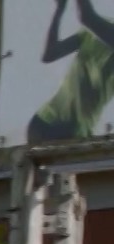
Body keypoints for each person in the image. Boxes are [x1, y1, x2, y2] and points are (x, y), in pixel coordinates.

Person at [29, 0, 114, 143]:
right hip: (45, 120)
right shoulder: (95, 31)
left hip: (71, 131)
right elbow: (50, 54)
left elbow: (87, 17)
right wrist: (59, 10)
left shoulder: (103, 30)